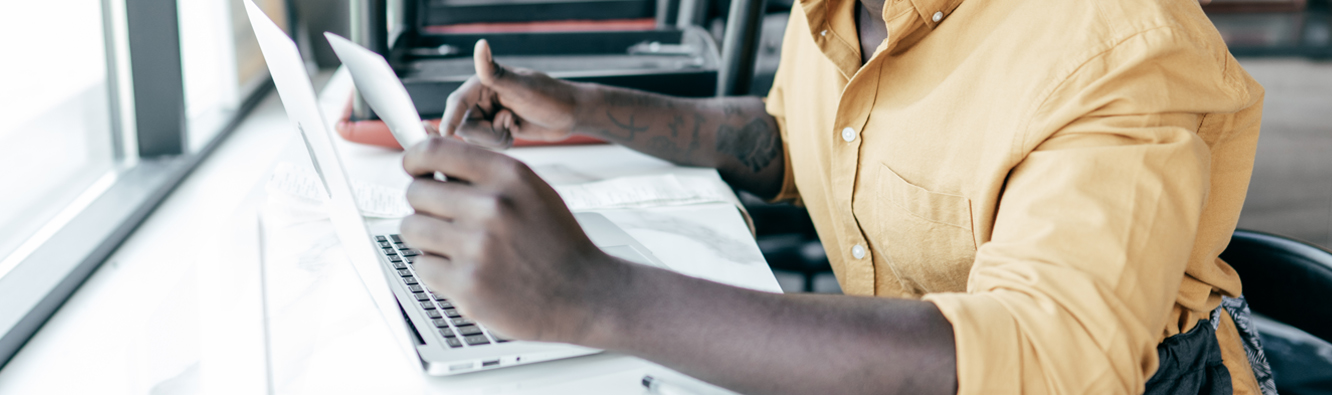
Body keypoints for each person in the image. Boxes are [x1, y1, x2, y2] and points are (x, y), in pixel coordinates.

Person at [397, 0, 1272, 393]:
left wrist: (590, 295)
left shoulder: (1118, 44)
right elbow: (789, 140)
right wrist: (582, 108)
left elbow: (1047, 364)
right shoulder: (837, 11)